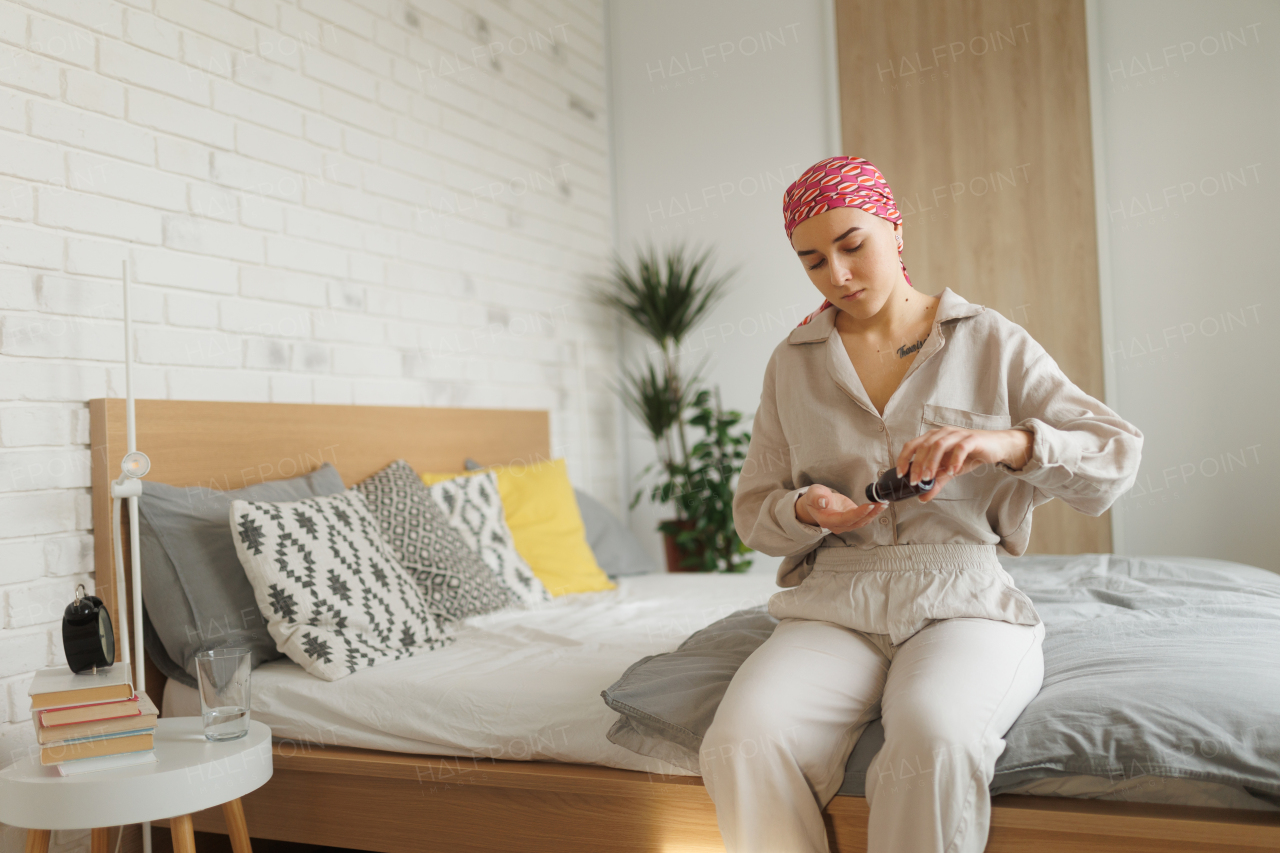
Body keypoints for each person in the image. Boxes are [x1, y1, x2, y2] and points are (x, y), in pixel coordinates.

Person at [698, 155, 1143, 853]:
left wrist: (1006, 443)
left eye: (853, 246)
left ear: (896, 231)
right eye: (813, 261)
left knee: (931, 740)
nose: (838, 276)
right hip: (835, 600)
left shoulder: (988, 338)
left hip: (961, 593)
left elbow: (1115, 454)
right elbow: (754, 511)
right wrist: (810, 510)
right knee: (739, 741)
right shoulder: (793, 362)